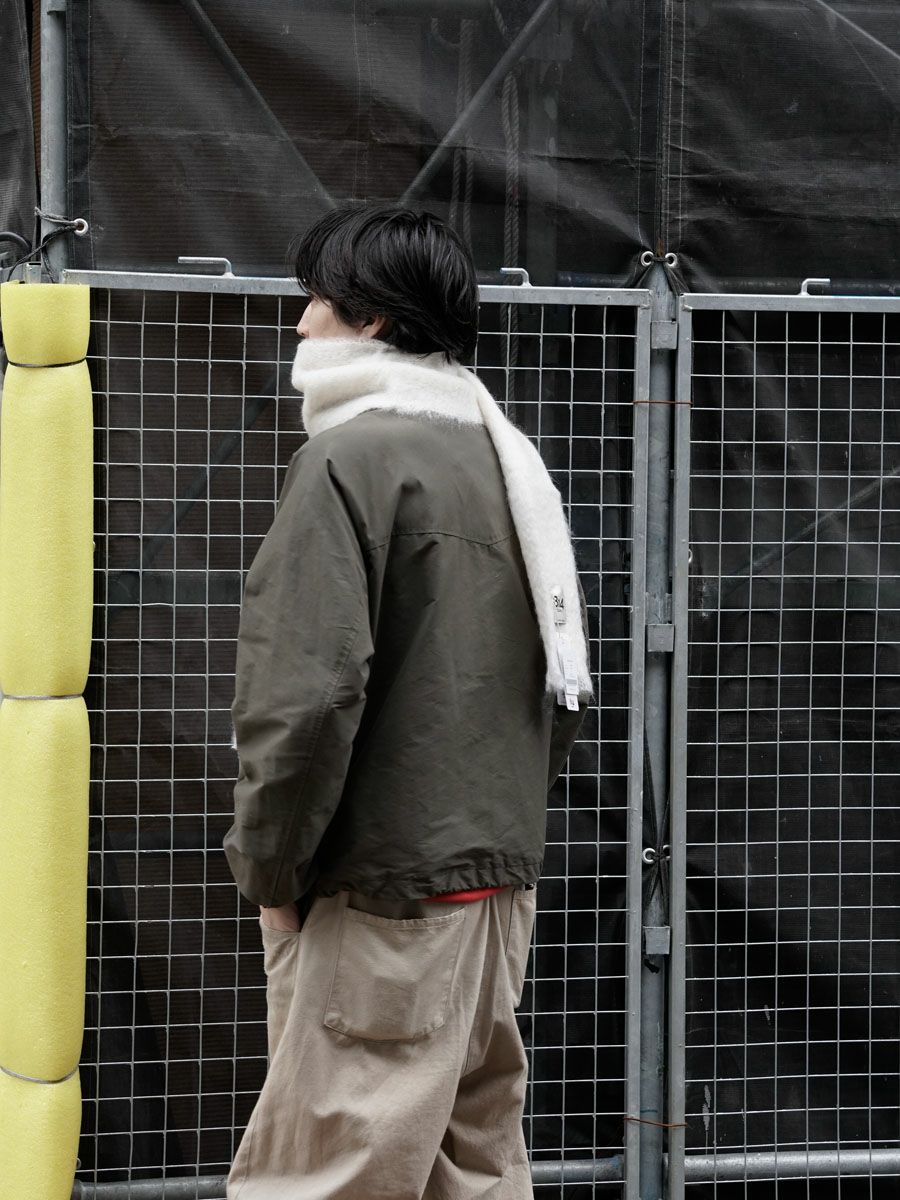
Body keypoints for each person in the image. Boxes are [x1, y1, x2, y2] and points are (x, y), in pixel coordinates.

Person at [223, 203, 592, 1199]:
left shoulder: (350, 460)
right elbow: (562, 688)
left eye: (319, 298)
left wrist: (270, 869)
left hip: (382, 898)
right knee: (471, 1170)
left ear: (373, 317)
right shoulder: (507, 464)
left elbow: (307, 698)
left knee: (323, 1177)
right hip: (492, 894)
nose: (301, 322)